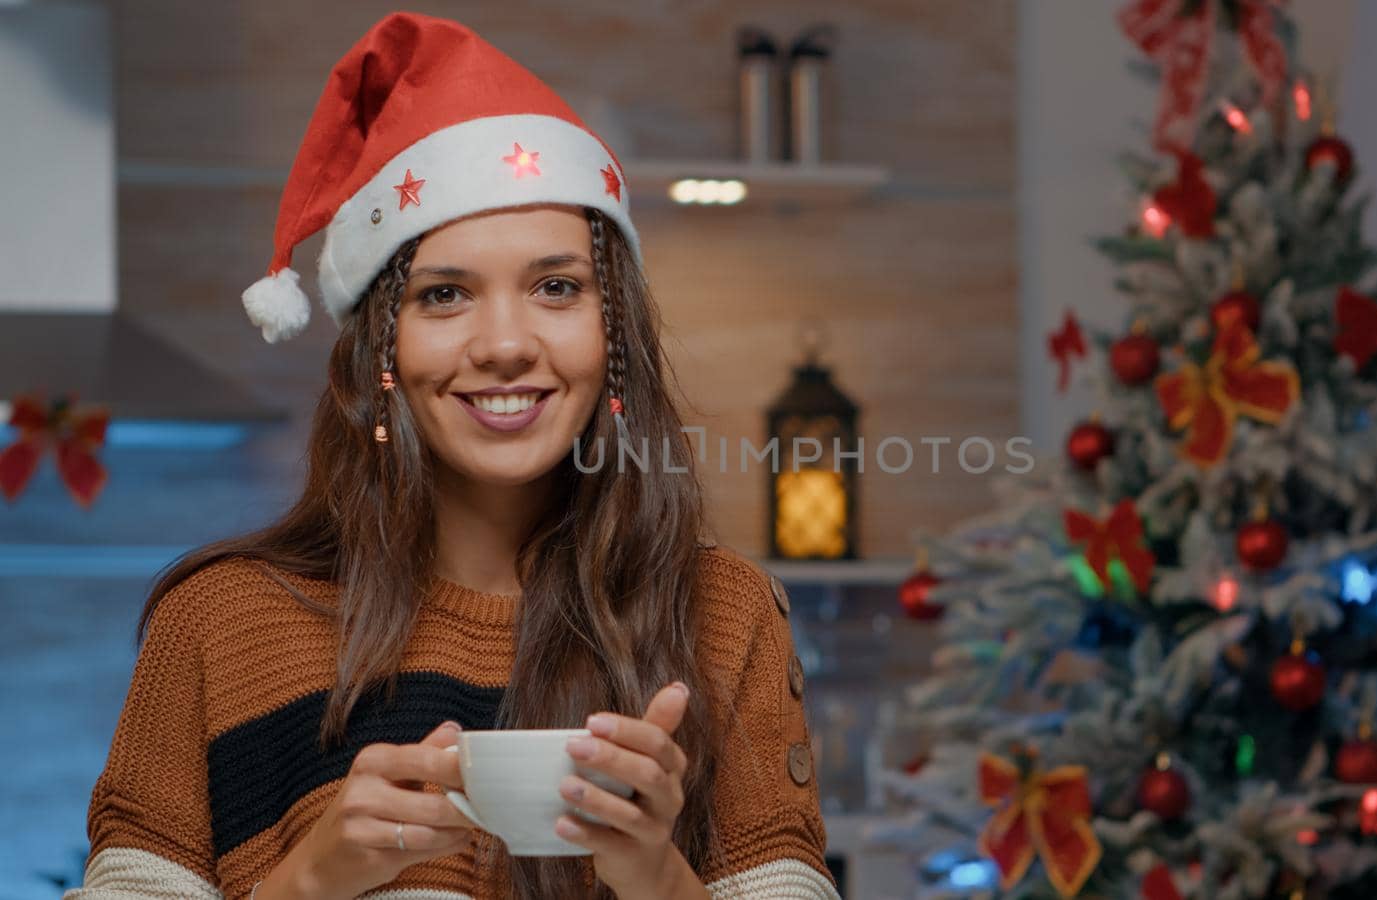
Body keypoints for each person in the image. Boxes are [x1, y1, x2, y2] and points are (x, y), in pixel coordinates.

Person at [66, 12, 836, 900]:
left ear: (611, 331)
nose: (506, 345)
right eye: (444, 295)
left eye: (556, 287)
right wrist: (312, 879)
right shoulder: (220, 620)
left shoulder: (722, 616)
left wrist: (653, 872)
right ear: (379, 355)